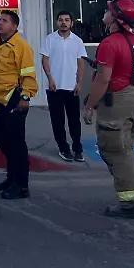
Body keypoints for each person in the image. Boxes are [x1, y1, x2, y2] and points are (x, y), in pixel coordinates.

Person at [83, 0, 134, 219]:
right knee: (127, 147)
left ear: (116, 19)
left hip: (116, 101)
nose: (104, 12)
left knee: (114, 150)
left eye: (108, 10)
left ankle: (130, 203)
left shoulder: (109, 44)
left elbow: (103, 80)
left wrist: (90, 105)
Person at [0, 10, 37, 200]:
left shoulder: (21, 47)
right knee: (4, 142)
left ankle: (21, 186)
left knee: (16, 144)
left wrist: (25, 98)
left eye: (5, 21)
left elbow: (28, 75)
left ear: (14, 26)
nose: (0, 23)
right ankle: (10, 180)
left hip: (14, 100)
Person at [42, 11, 88, 162]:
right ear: (57, 23)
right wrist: (50, 78)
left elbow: (81, 63)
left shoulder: (77, 41)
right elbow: (45, 60)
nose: (63, 23)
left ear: (71, 23)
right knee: (58, 120)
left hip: (72, 87)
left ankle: (77, 149)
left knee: (74, 120)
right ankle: (63, 148)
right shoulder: (50, 39)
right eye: (61, 20)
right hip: (54, 87)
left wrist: (80, 83)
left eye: (67, 20)